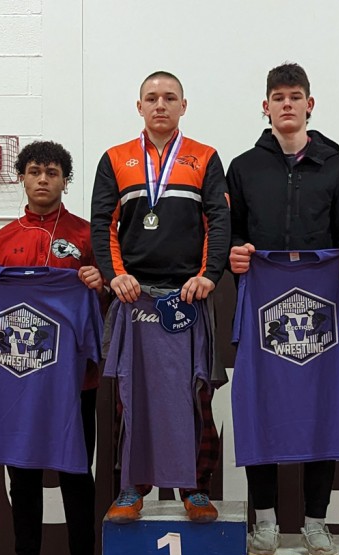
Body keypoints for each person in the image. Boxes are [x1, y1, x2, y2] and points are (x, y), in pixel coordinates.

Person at [0, 141, 105, 555]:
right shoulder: (1, 240)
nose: (43, 179)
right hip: (15, 377)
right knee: (21, 472)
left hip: (73, 381)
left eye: (52, 172)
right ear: (21, 177)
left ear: (65, 181)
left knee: (76, 471)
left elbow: (102, 309)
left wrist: (97, 284)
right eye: (35, 171)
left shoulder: (86, 236)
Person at [227, 61, 339, 555]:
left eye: (295, 97)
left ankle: (316, 522)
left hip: (322, 307)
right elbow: (230, 233)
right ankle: (264, 521)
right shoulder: (243, 166)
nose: (286, 104)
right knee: (261, 404)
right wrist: (235, 253)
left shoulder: (336, 166)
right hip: (263, 304)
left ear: (310, 105)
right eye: (278, 97)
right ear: (265, 107)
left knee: (324, 406)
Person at [90, 70, 230, 524]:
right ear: (139, 107)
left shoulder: (205, 157)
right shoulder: (116, 158)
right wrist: (116, 276)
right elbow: (103, 224)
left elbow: (218, 221)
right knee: (130, 397)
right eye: (151, 98)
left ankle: (195, 489)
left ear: (183, 106)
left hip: (188, 296)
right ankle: (131, 488)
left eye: (170, 97)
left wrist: (208, 275)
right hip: (134, 298)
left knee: (195, 394)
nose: (160, 105)